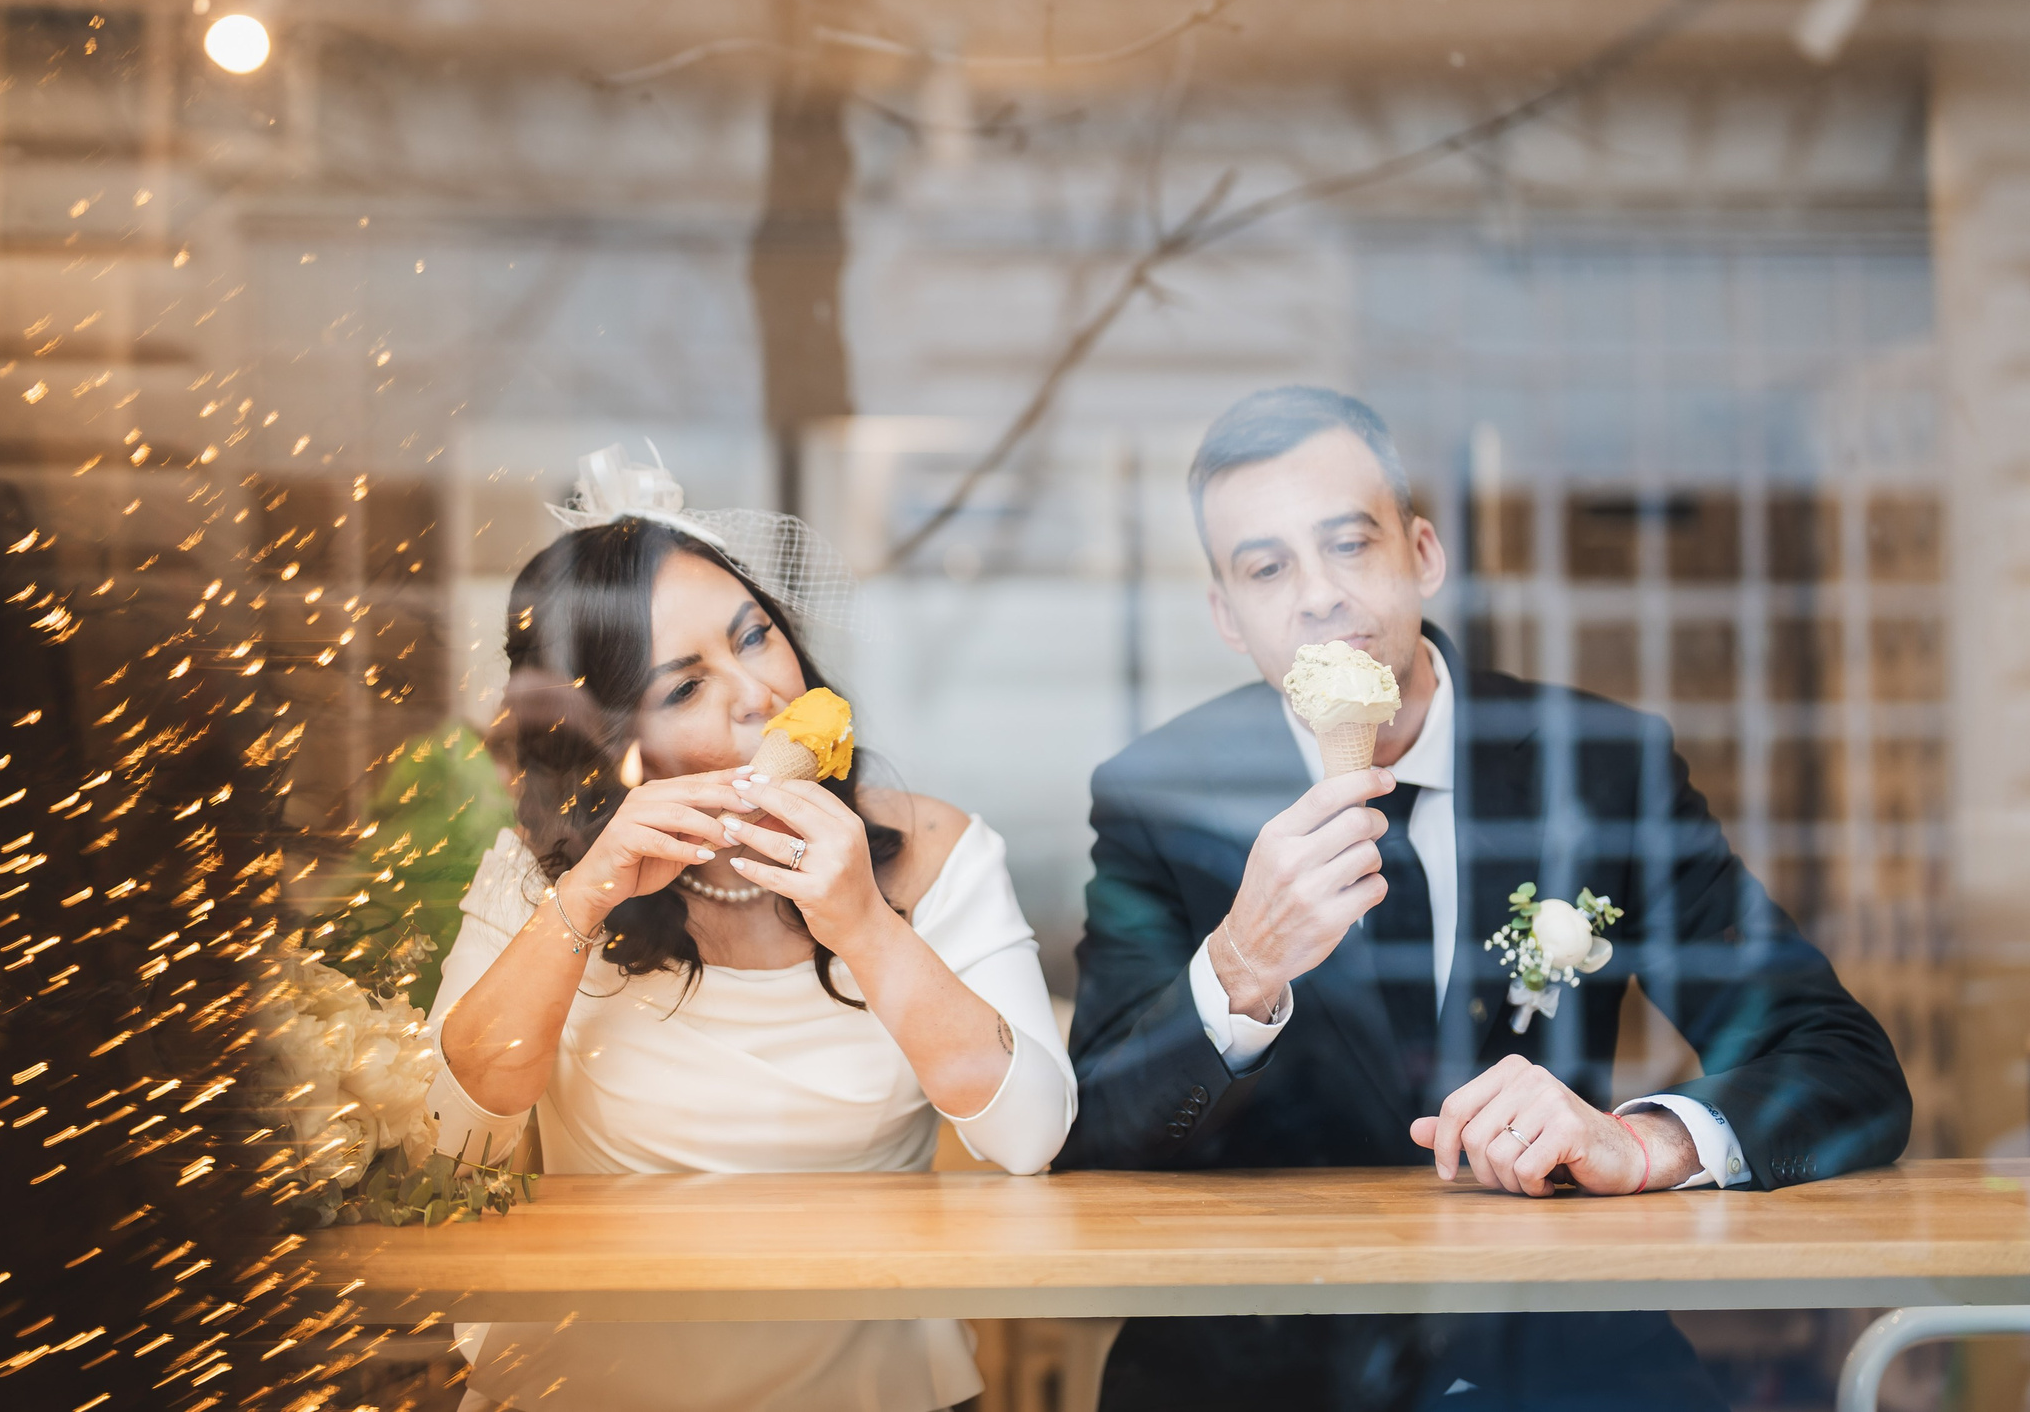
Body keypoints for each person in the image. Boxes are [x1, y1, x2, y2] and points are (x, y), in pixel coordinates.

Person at [1058, 386, 1909, 1412]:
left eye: (1348, 544)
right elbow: (1094, 1129)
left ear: (1422, 553)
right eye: (1266, 568)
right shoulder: (1161, 796)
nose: (1318, 596)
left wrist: (1641, 1142)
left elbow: (1838, 1062)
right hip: (1259, 1376)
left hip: (1564, 1361)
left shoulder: (1600, 768)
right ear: (1225, 617)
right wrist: (1239, 965)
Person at [425, 507, 1075, 1412]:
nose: (759, 691)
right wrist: (585, 896)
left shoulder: (934, 847)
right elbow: (447, 1146)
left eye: (755, 637)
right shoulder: (544, 870)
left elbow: (1031, 1134)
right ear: (617, 746)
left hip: (884, 1388)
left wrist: (865, 925)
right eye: (685, 688)